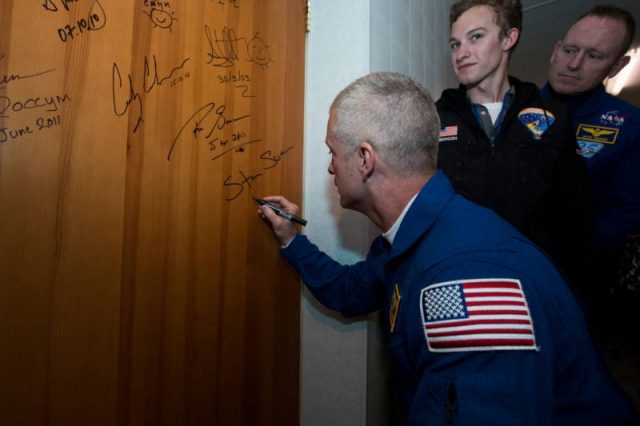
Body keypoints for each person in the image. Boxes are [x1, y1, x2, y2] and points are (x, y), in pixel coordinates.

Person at [257, 71, 636, 425]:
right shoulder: (419, 231)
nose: (330, 169)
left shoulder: (468, 277)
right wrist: (291, 239)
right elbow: (349, 290)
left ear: (364, 159)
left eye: (332, 152)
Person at [437, 0, 594, 287]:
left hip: (535, 280)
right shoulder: (435, 118)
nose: (462, 53)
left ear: (509, 38)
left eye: (476, 37)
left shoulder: (554, 117)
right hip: (457, 277)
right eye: (455, 44)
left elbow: (576, 214)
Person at [541, 5, 640, 343]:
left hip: (580, 284)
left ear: (617, 66)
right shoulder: (510, 110)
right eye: (570, 50)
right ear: (556, 50)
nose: (574, 64)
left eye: (594, 56)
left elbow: (625, 212)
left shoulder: (629, 126)